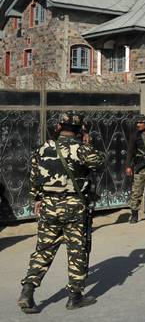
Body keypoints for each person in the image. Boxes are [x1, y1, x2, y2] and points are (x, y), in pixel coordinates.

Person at [17, 112, 105, 313]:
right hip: (74, 206)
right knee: (76, 251)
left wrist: (38, 198)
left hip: (49, 206)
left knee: (43, 250)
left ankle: (28, 291)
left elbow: (33, 175)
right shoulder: (81, 148)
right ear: (80, 129)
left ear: (58, 127)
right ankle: (74, 297)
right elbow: (100, 163)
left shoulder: (44, 148)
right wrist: (88, 143)